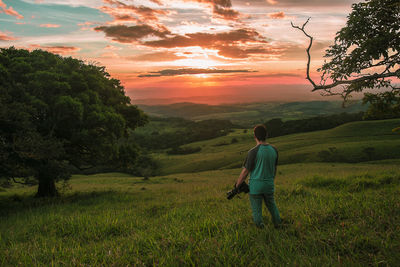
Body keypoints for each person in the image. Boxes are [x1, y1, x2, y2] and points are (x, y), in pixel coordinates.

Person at [235, 124, 281, 228]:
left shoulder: (253, 152)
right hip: (269, 184)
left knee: (257, 211)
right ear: (267, 135)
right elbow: (274, 169)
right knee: (272, 207)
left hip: (256, 186)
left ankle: (261, 229)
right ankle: (279, 225)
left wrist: (237, 185)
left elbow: (245, 172)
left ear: (254, 136)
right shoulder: (274, 150)